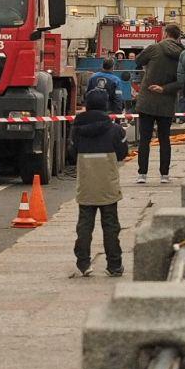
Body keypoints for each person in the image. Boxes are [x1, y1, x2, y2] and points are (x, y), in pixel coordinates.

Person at [67, 90, 129, 277]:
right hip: (108, 183)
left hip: (86, 184)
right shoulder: (115, 130)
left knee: (85, 224)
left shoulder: (77, 130)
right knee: (111, 225)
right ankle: (114, 265)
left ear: (86, 106)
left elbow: (71, 154)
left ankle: (84, 263)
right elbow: (123, 153)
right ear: (105, 107)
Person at [134, 24, 183, 184]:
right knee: (164, 139)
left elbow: (138, 60)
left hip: (147, 99)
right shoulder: (182, 54)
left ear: (166, 33)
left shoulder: (155, 48)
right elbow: (182, 81)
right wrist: (164, 88)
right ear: (177, 36)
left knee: (145, 139)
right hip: (167, 101)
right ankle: (164, 174)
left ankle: (142, 174)